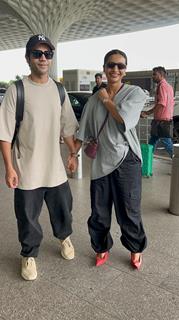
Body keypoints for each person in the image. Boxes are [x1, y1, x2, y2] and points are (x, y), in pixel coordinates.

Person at [0, 34, 79, 281]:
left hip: (55, 168)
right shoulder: (17, 90)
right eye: (37, 53)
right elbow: (4, 132)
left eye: (47, 54)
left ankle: (64, 238)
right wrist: (9, 167)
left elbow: (67, 127)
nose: (43, 58)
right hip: (27, 171)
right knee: (27, 218)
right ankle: (29, 254)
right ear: (28, 58)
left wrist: (73, 153)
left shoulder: (59, 89)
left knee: (63, 210)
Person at [75, 49, 147, 269]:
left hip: (127, 159)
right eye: (111, 65)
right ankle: (101, 247)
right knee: (99, 210)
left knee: (129, 209)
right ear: (104, 68)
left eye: (120, 66)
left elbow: (123, 119)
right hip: (101, 161)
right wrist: (72, 154)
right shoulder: (94, 99)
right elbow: (83, 130)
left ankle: (135, 248)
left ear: (125, 71)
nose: (115, 69)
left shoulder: (136, 93)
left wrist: (106, 100)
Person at [141, 66, 174, 158]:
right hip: (162, 120)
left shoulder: (162, 86)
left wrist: (147, 112)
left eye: (154, 74)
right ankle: (147, 161)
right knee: (153, 141)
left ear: (161, 75)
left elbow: (161, 103)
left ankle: (176, 159)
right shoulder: (169, 86)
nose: (153, 76)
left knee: (167, 143)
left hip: (162, 121)